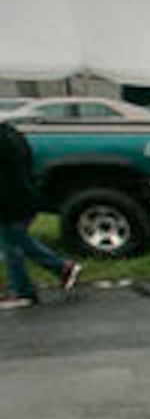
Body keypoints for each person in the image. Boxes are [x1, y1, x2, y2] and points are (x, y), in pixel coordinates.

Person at [0, 120, 81, 310]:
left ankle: (25, 291)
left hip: (9, 201)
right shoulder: (12, 133)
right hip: (24, 196)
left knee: (13, 244)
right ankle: (59, 270)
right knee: (15, 242)